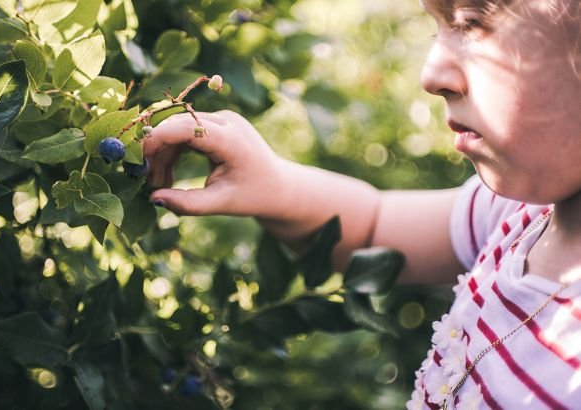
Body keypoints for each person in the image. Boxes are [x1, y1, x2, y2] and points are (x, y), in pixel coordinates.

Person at [143, 0, 581, 408]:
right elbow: (372, 226)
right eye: (438, 31)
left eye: (471, 24)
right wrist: (271, 183)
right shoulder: (514, 216)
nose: (431, 75)